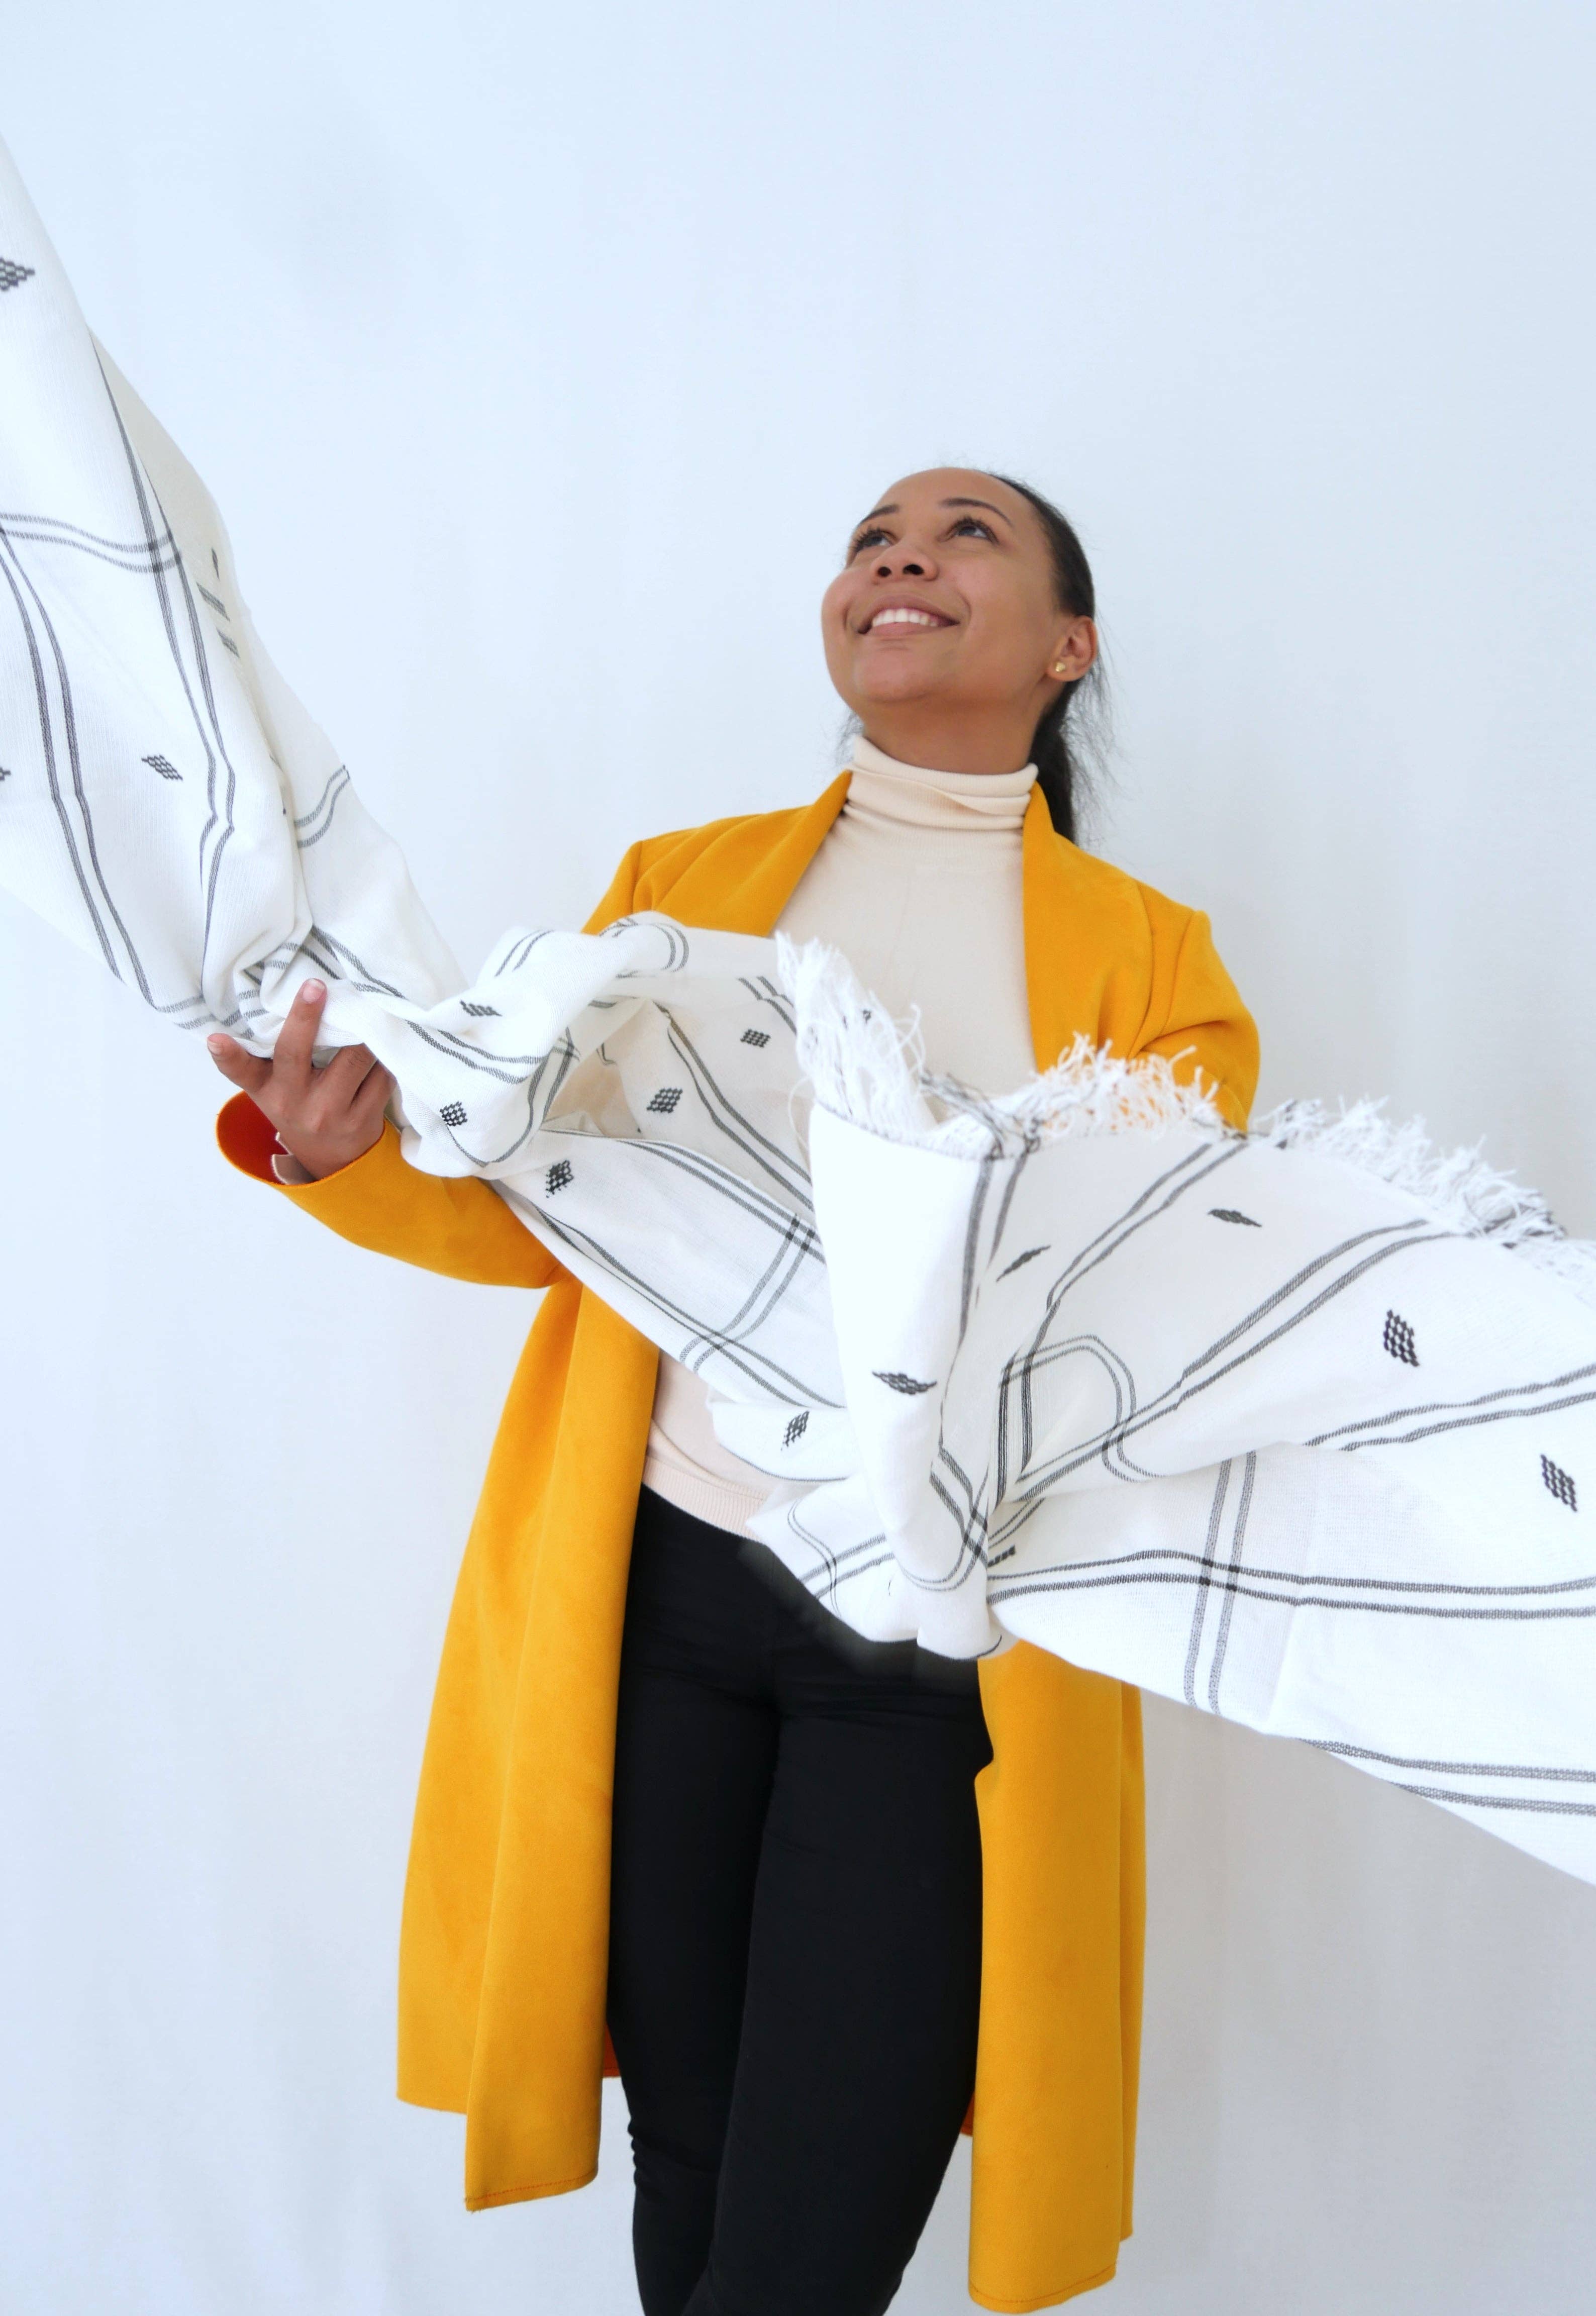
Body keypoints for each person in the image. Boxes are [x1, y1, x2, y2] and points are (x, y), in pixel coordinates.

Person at [208, 469, 1260, 2316]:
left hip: (936, 1645)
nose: (899, 555)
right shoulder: (678, 890)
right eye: (872, 538)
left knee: (807, 2223)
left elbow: (1174, 1305)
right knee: (695, 2172)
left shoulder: (1154, 965)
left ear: (1070, 647)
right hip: (664, 1597)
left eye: (966, 534)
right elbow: (555, 1221)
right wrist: (346, 1154)